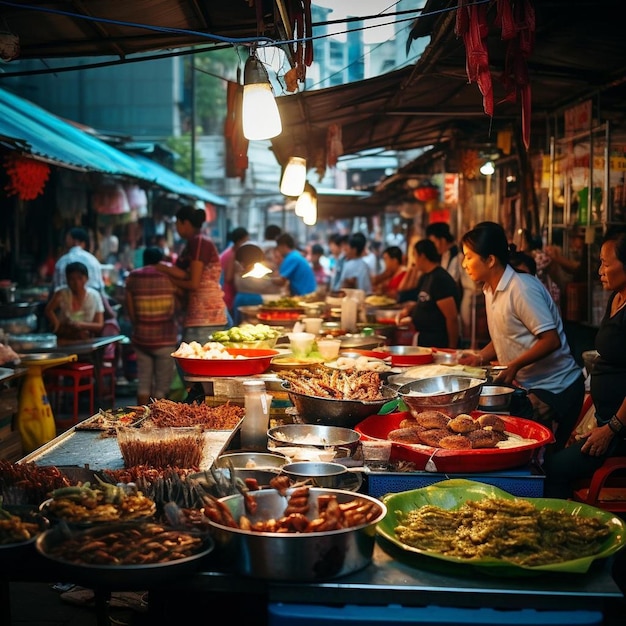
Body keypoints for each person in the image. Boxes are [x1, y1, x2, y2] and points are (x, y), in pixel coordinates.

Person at [458, 221, 585, 453]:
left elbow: (551, 339)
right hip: (530, 386)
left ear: (490, 260)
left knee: (539, 458)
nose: (464, 264)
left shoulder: (521, 289)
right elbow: (506, 336)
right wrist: (478, 357)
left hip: (556, 388)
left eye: (468, 257)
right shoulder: (490, 289)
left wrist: (514, 365)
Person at [543, 227, 626, 498]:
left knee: (553, 469)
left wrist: (611, 428)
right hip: (605, 420)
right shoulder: (616, 298)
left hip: (619, 431)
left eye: (605, 263)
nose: (600, 271)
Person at [156, 205, 229, 344]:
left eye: (178, 224)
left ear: (186, 223)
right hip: (202, 315)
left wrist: (170, 279)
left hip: (205, 316)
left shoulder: (199, 242)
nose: (176, 229)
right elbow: (184, 274)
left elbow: (194, 283)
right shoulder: (193, 243)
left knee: (194, 362)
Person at [124, 246, 179, 405]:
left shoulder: (133, 277)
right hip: (165, 338)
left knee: (143, 384)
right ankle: (156, 422)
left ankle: (140, 423)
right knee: (161, 387)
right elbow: (175, 305)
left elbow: (129, 306)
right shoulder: (168, 276)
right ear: (160, 260)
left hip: (141, 338)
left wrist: (137, 324)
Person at [397, 239, 460, 349]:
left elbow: (452, 318)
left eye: (414, 255)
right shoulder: (425, 277)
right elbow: (427, 302)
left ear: (422, 256)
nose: (414, 260)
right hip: (424, 340)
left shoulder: (440, 279)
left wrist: (451, 349)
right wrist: (411, 310)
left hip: (438, 342)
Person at [45, 261, 104, 341]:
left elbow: (99, 325)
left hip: (85, 338)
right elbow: (48, 310)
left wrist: (81, 325)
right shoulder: (61, 294)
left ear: (86, 278)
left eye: (80, 278)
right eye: (72, 279)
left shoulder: (94, 296)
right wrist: (57, 324)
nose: (76, 283)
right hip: (64, 336)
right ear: (67, 280)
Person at [233, 243, 283, 323]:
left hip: (242, 301)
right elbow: (269, 286)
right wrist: (275, 281)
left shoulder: (241, 274)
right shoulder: (247, 276)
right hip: (251, 304)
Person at [54, 227, 105, 294]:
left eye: (68, 238)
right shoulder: (93, 260)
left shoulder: (62, 261)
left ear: (75, 241)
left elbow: (56, 288)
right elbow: (100, 289)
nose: (65, 241)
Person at [219, 226, 249, 317]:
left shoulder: (231, 252)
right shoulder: (232, 254)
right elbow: (228, 278)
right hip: (227, 295)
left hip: (227, 294)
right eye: (245, 241)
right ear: (240, 241)